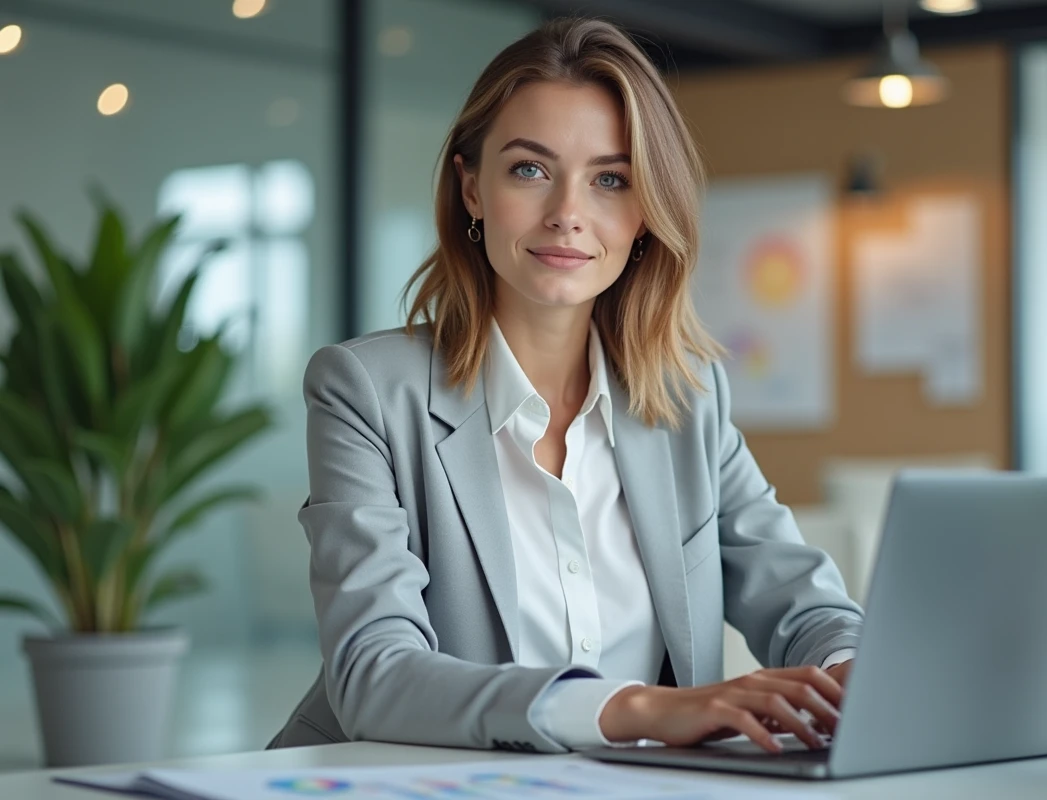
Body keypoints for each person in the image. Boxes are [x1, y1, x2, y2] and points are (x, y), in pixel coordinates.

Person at [268, 16, 862, 756]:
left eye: (610, 180)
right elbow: (374, 673)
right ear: (472, 188)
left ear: (646, 214)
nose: (568, 215)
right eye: (529, 169)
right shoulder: (365, 391)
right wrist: (635, 709)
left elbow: (805, 605)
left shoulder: (689, 399)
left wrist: (852, 673)